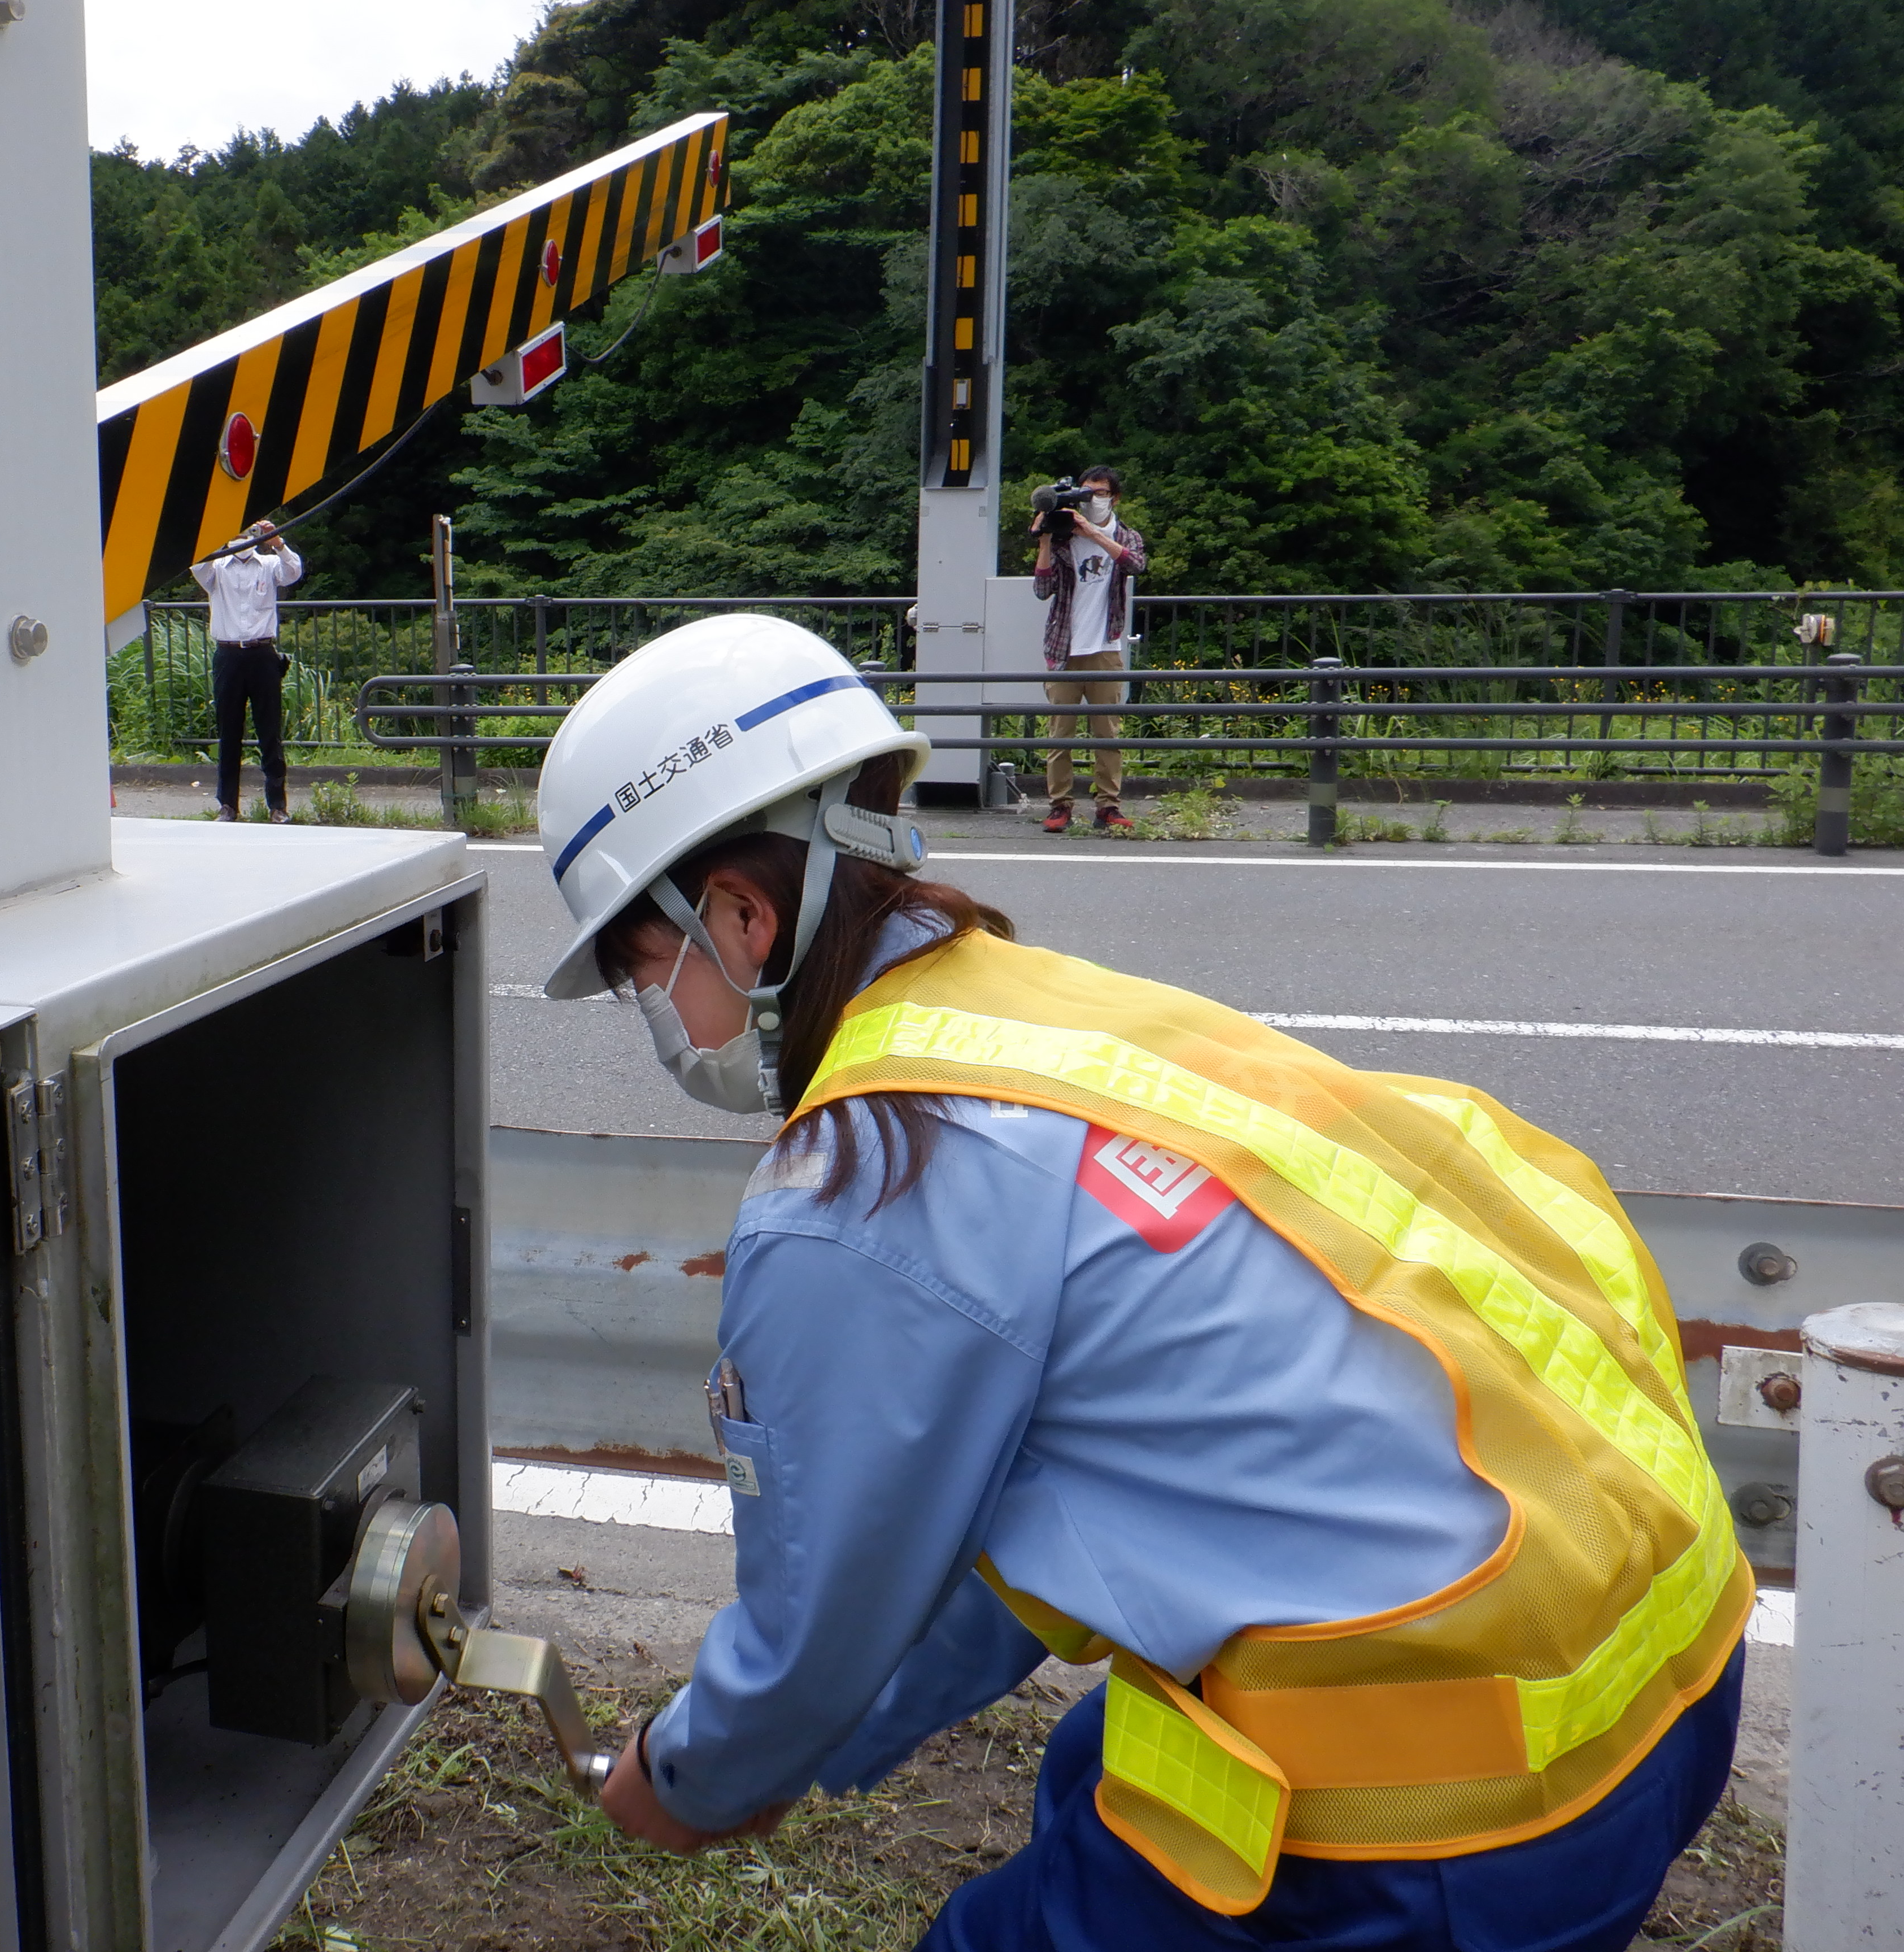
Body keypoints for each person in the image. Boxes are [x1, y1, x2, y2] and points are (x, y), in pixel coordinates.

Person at [536, 613, 1748, 1952]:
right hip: (1663, 1664)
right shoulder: (1041, 1008)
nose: (656, 1021)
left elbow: (820, 1614)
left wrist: (700, 1772)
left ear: (740, 916)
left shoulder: (854, 1184)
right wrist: (812, 1745)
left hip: (1459, 1807)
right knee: (1091, 1770)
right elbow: (999, 1571)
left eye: (645, 973)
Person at [1032, 467, 1147, 834]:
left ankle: (1108, 806)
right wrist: (1047, 537)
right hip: (1064, 646)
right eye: (1085, 493)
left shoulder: (1126, 535)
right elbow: (1041, 590)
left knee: (1107, 735)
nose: (1091, 500)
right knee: (1059, 735)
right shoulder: (1065, 539)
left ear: (1114, 497)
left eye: (1098, 493)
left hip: (1105, 645)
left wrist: (1093, 533)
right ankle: (1059, 805)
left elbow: (1135, 565)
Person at [190, 518, 302, 823]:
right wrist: (217, 531)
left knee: (270, 731)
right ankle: (227, 805)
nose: (244, 535)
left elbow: (293, 572)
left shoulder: (267, 564)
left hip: (262, 652)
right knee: (229, 732)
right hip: (228, 653)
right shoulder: (216, 567)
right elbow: (196, 564)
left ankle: (277, 805)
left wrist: (275, 540)